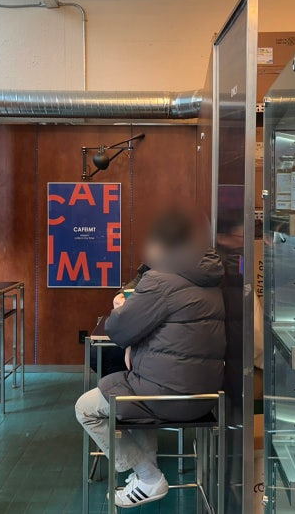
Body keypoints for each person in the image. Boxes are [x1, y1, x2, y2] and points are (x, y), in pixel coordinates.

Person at [75, 209, 226, 508]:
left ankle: (148, 476)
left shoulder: (159, 279)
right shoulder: (211, 277)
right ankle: (146, 475)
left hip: (169, 395)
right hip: (206, 396)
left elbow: (119, 329)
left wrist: (120, 307)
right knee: (128, 387)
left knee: (87, 408)